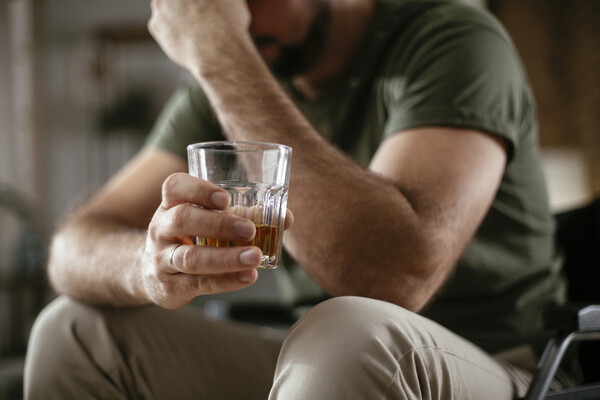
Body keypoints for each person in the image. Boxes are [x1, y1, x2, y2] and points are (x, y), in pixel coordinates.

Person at [24, 0, 568, 398]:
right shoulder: (245, 65)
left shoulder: (453, 40)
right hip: (321, 361)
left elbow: (391, 280)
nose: (234, 19)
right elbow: (75, 243)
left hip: (504, 366)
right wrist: (146, 266)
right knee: (71, 330)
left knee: (342, 333)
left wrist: (219, 55)